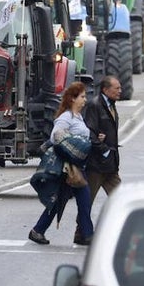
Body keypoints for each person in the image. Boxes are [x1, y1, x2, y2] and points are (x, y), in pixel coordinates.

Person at [29, 82, 93, 246]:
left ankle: (38, 230)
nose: (85, 100)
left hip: (76, 166)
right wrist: (73, 144)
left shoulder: (78, 116)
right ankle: (88, 235)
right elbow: (54, 137)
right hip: (68, 168)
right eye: (82, 97)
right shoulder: (66, 117)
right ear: (72, 98)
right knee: (82, 200)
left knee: (62, 202)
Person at [83, 75, 121, 218]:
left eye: (120, 88)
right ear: (105, 89)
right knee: (87, 201)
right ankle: (81, 232)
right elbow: (90, 133)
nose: (120, 91)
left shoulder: (111, 105)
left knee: (121, 198)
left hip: (110, 166)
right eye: (116, 88)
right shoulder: (95, 105)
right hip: (96, 165)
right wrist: (104, 150)